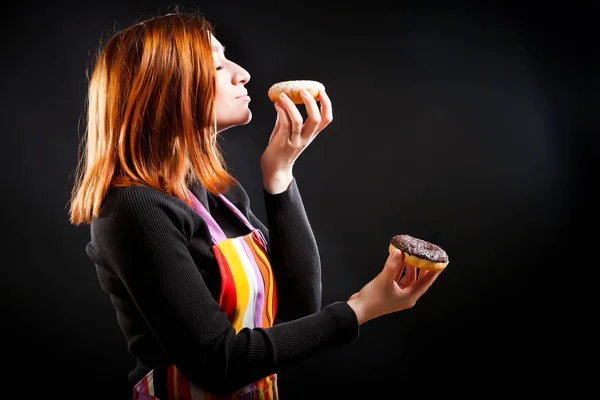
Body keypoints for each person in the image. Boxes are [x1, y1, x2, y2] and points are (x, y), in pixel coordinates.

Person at [68, 9, 444, 400]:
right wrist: (360, 309)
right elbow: (219, 362)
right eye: (216, 66)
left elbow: (298, 308)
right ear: (164, 88)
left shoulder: (219, 194)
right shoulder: (134, 209)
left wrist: (279, 173)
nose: (241, 73)